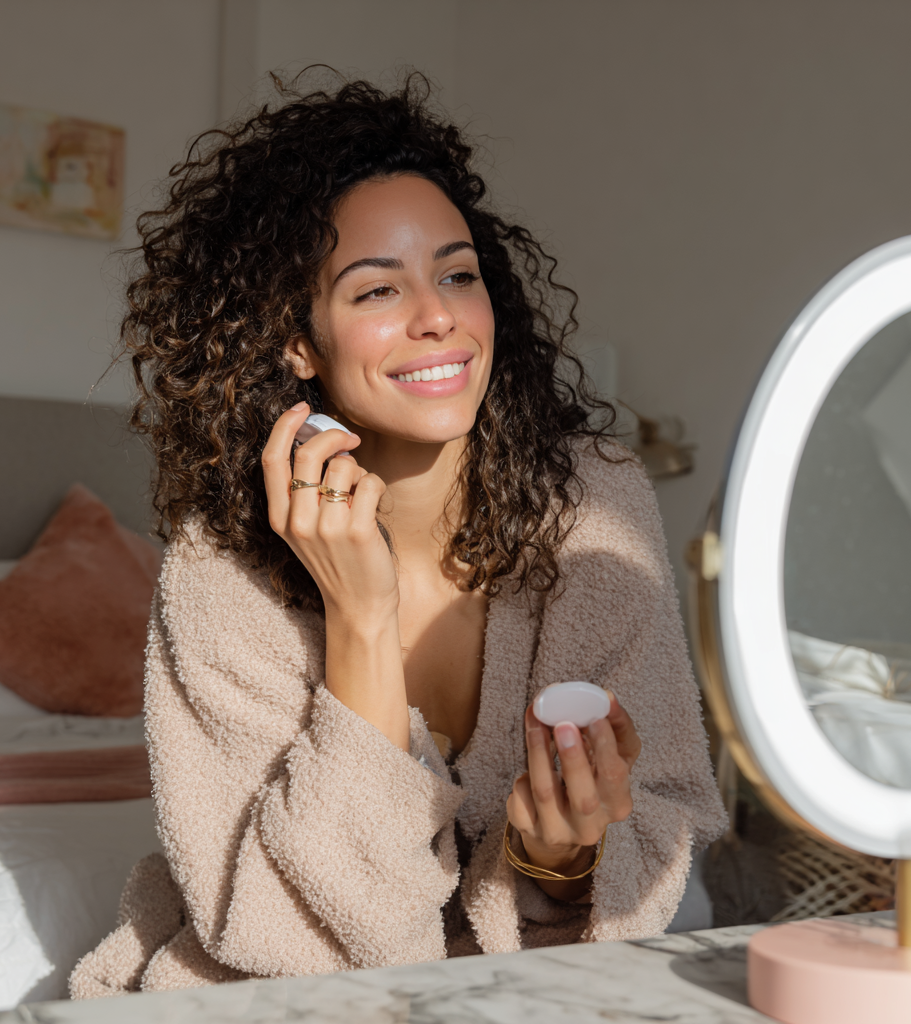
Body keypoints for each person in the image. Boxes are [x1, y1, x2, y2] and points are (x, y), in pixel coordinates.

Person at [70, 75, 726, 996]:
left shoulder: (595, 502)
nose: (438, 316)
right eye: (377, 289)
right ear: (298, 343)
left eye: (458, 274)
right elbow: (302, 945)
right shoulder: (221, 568)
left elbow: (655, 839)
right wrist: (362, 619)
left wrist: (555, 858)